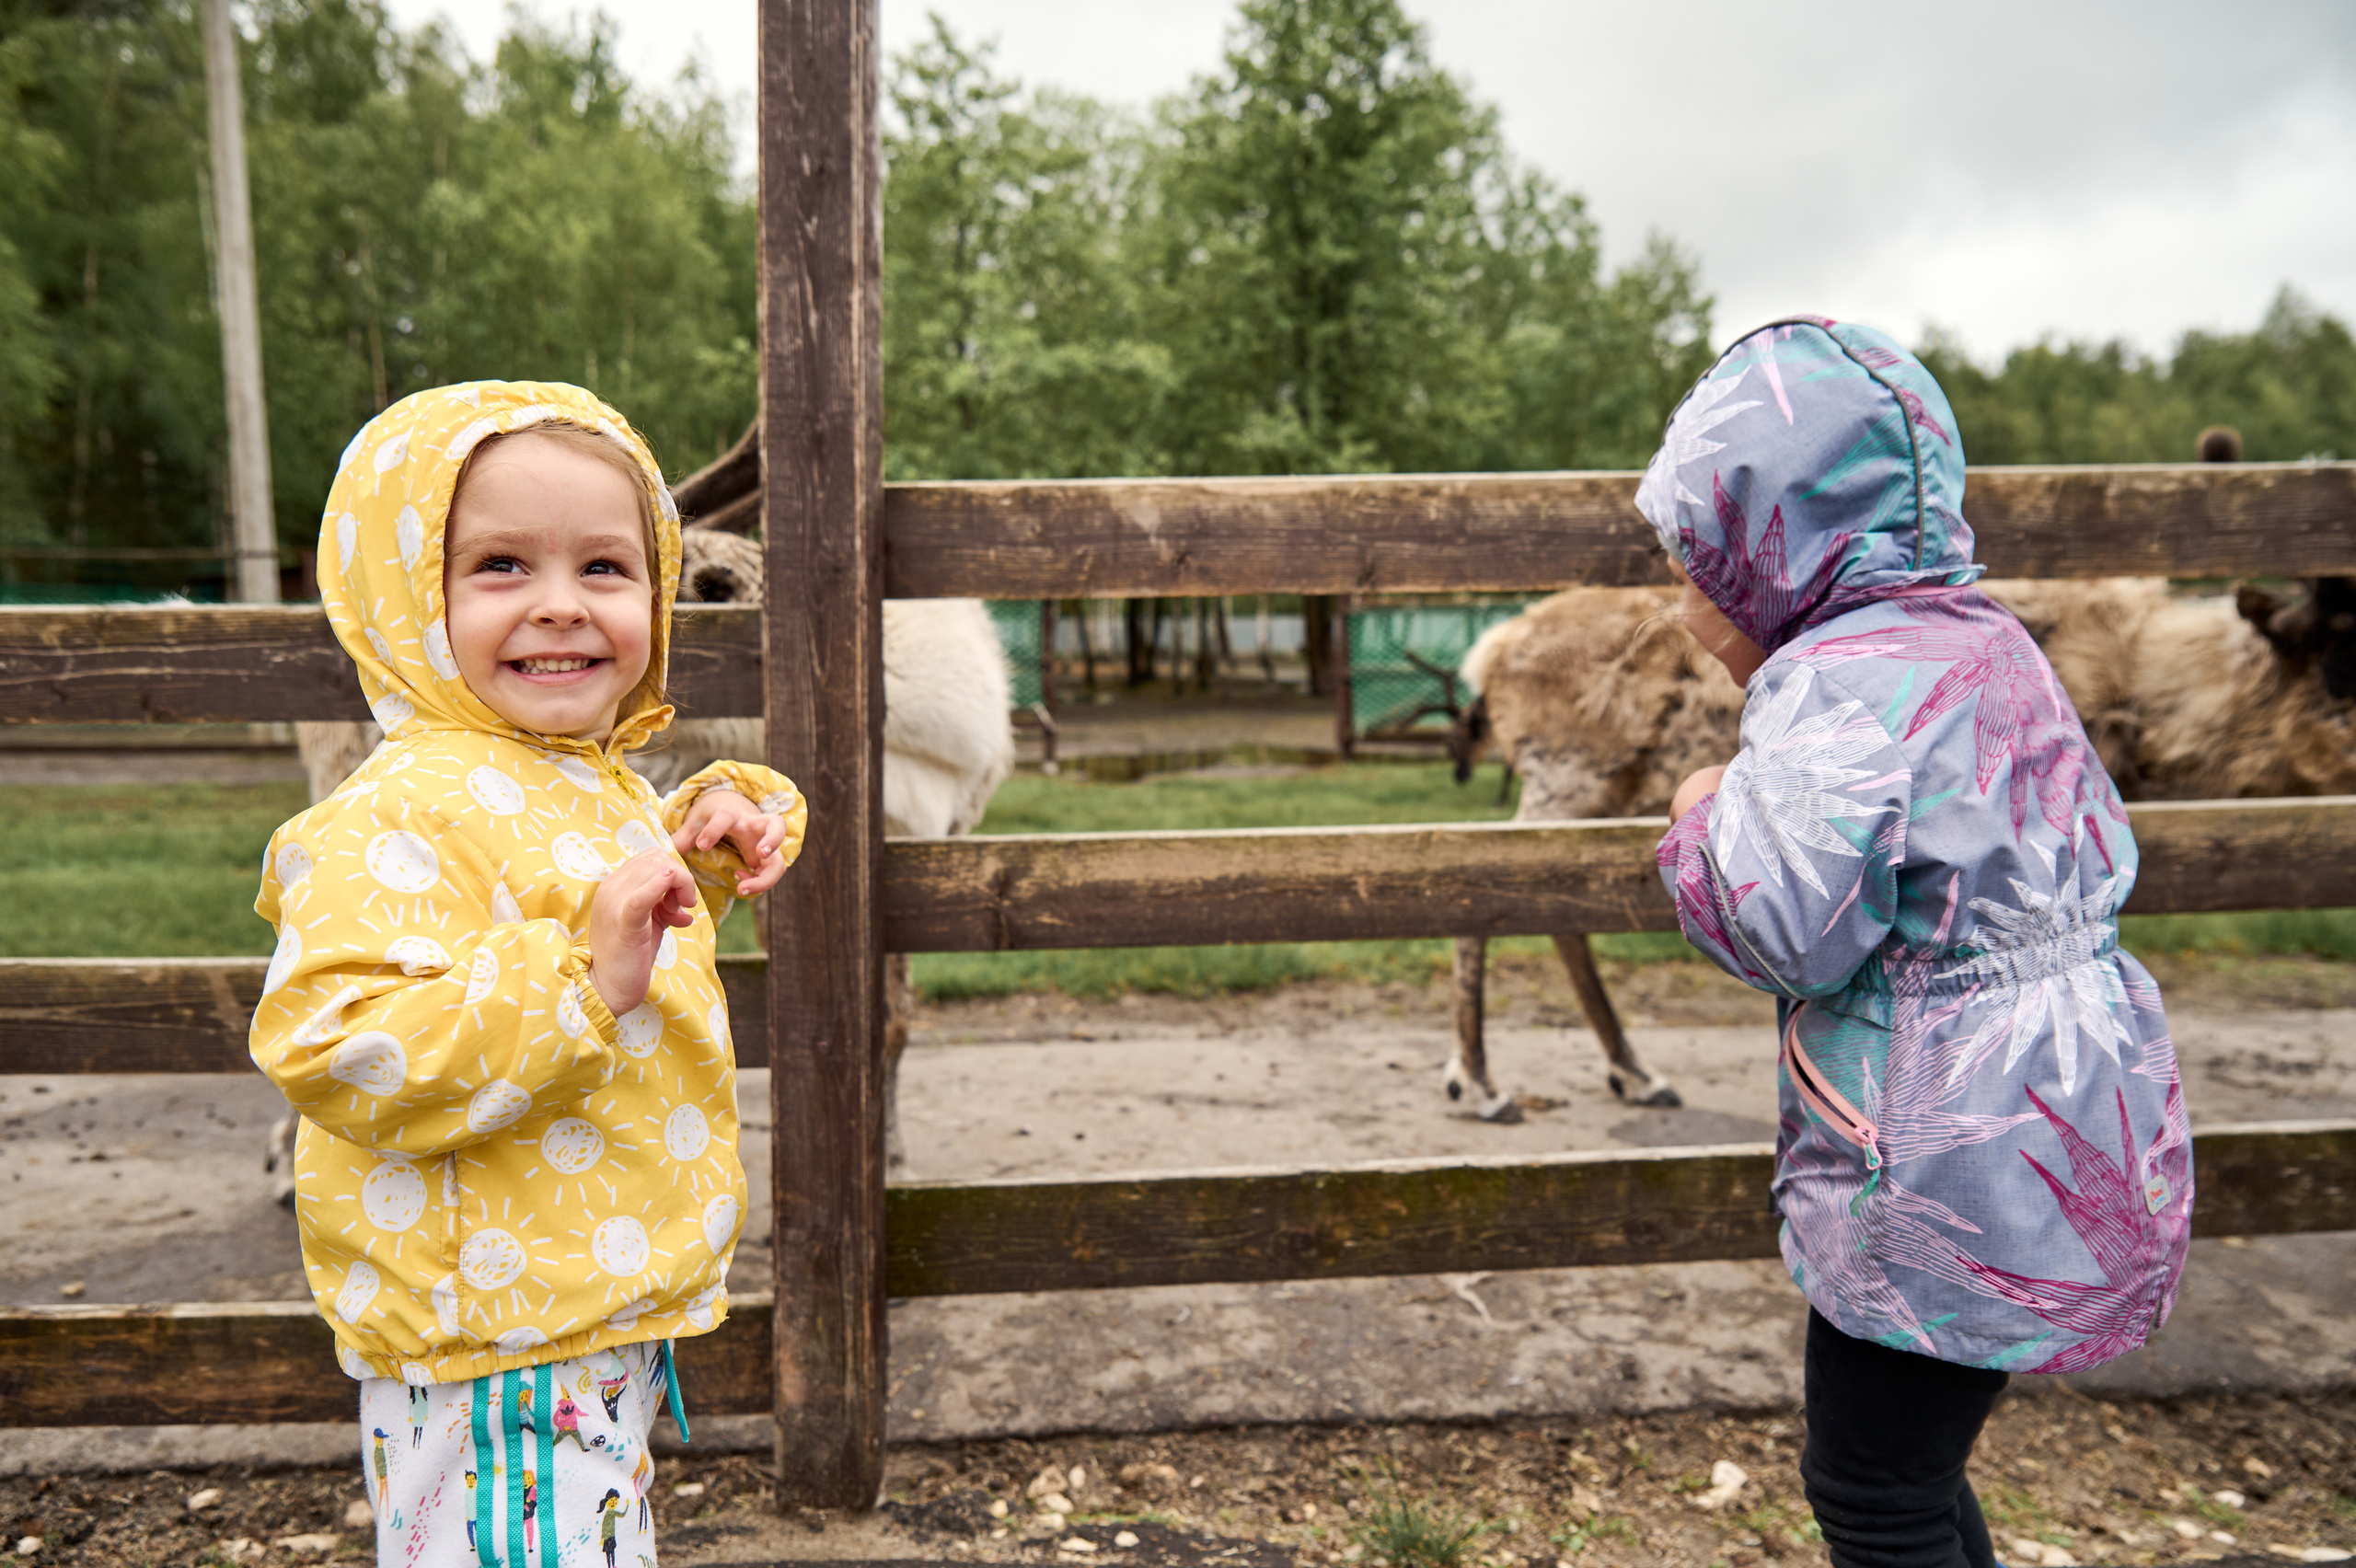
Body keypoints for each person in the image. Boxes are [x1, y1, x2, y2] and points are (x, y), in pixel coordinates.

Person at [1641, 319, 2190, 1568]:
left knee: (1871, 1491)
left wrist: (1702, 818)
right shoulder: (1988, 641)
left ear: (1778, 552)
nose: (1683, 610)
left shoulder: (1832, 684)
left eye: (1697, 567)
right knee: (1910, 1471)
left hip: (1943, 1155)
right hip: (2074, 1110)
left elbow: (1789, 926)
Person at [250, 381, 806, 1567]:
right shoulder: (389, 816)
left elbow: (582, 931)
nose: (563, 607)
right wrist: (581, 977)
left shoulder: (568, 776)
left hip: (580, 1302)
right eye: (502, 565)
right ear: (407, 595)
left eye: (607, 568)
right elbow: (340, 1048)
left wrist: (689, 861)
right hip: (498, 1332)